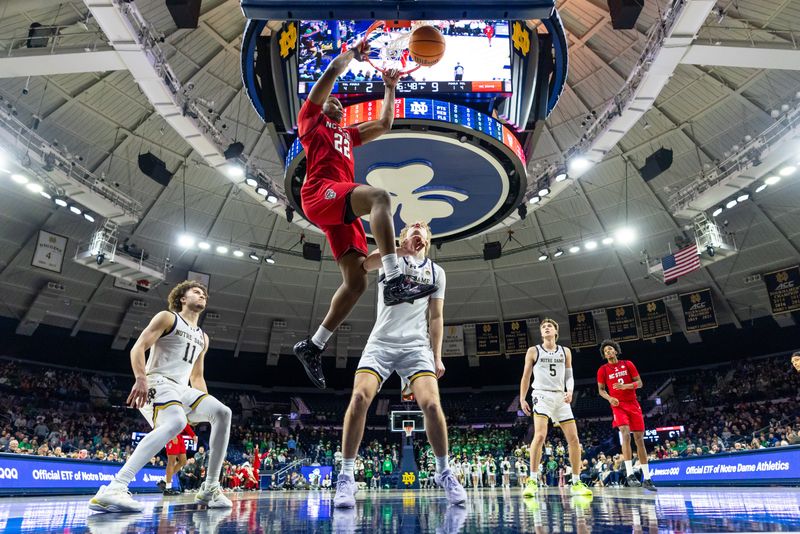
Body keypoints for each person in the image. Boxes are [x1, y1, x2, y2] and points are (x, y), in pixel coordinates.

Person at [293, 42, 438, 390]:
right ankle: (393, 278)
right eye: (333, 100)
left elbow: (386, 123)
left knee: (356, 281)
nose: (337, 102)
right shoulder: (311, 122)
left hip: (337, 207)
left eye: (340, 102)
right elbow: (330, 74)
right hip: (320, 193)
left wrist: (390, 87)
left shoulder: (346, 133)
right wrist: (351, 56)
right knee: (379, 197)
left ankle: (313, 345)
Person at [332, 221, 466, 508]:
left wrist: (437, 355)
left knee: (431, 405)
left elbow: (437, 317)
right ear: (404, 236)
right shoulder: (391, 256)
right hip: (381, 343)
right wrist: (398, 249)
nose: (417, 226)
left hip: (416, 347)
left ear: (428, 239)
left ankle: (444, 472)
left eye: (422, 227)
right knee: (358, 398)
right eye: (411, 226)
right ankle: (345, 477)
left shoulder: (437, 272)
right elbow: (364, 266)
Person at [88, 281, 232, 512]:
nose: (202, 294)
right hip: (158, 381)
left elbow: (197, 375)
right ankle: (115, 487)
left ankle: (210, 488)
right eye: (196, 291)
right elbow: (138, 347)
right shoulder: (168, 318)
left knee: (223, 412)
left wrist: (204, 408)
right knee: (176, 422)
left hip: (182, 389)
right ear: (182, 299)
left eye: (204, 293)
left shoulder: (203, 337)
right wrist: (141, 378)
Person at [519, 318, 593, 498]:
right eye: (543, 327)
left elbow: (569, 375)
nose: (545, 328)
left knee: (574, 439)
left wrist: (570, 391)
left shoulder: (565, 351)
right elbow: (526, 376)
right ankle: (533, 480)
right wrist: (522, 398)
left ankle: (576, 482)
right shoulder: (533, 351)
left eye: (549, 326)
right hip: (542, 395)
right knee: (540, 435)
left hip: (561, 396)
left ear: (555, 332)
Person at [597, 340, 657, 491]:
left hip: (633, 404)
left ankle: (647, 478)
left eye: (610, 349)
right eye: (605, 351)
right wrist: (610, 398)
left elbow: (640, 383)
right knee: (625, 434)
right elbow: (601, 390)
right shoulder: (603, 370)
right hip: (618, 405)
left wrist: (625, 386)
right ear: (604, 356)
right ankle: (630, 473)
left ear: (616, 351)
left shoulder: (628, 364)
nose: (608, 352)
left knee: (639, 440)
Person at [161, 424, 197, 495]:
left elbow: (184, 423)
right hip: (172, 436)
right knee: (171, 462)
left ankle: (165, 479)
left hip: (180, 437)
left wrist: (193, 435)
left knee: (183, 462)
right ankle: (168, 488)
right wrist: (172, 434)